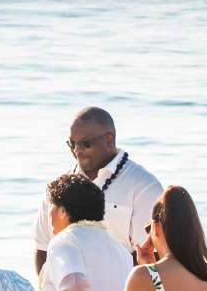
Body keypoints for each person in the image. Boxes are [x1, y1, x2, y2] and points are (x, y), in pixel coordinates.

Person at [32, 106, 162, 274]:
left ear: (109, 139)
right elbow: (42, 247)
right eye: (72, 144)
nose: (77, 151)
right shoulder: (58, 189)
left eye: (86, 144)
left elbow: (151, 258)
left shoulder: (144, 186)